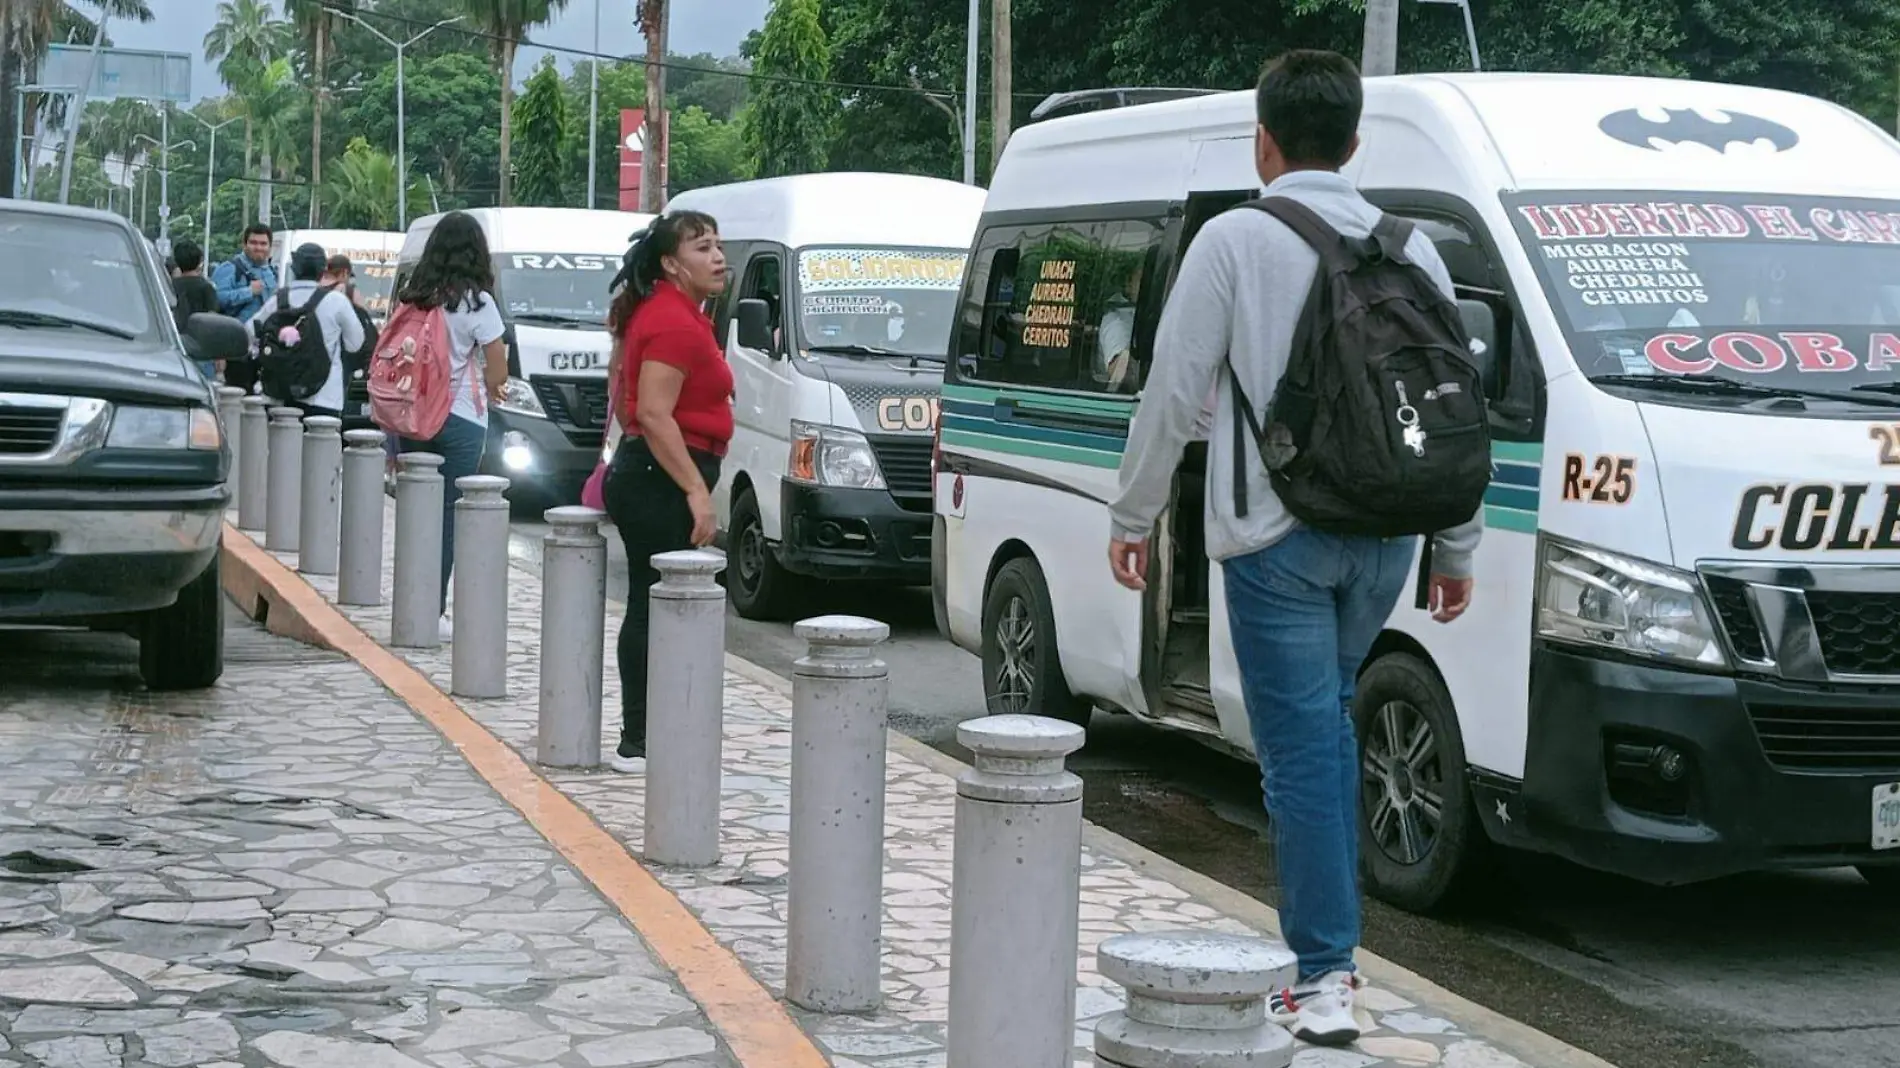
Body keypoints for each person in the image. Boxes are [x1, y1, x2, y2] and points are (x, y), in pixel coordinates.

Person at [1104, 50, 1482, 1048]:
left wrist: (1132, 516)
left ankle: (1324, 976)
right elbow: (1449, 407)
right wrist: (1456, 547)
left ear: (1262, 142)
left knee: (1304, 751)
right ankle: (1326, 957)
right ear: (1354, 142)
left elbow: (1172, 395)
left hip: (1275, 540)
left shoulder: (1234, 239)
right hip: (1386, 540)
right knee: (1327, 730)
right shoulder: (1415, 247)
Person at [600, 210, 728, 774]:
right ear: (672, 264)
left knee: (656, 603)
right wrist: (697, 492)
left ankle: (652, 731)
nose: (718, 257)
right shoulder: (673, 321)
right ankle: (638, 739)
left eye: (718, 245)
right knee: (652, 606)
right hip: (657, 478)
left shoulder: (676, 314)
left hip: (654, 474)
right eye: (702, 248)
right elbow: (652, 413)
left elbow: (624, 390)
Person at [388, 212, 509, 643]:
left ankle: (409, 605)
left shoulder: (413, 296)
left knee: (417, 514)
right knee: (447, 520)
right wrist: (495, 388)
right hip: (460, 419)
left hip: (412, 417)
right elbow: (497, 371)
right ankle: (433, 611)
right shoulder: (477, 302)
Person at [250, 242, 364, 423]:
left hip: (280, 395)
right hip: (325, 398)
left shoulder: (277, 300)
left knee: (281, 449)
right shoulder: (337, 301)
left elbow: (251, 332)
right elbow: (355, 343)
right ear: (323, 270)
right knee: (321, 450)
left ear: (294, 268)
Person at [169, 239, 221, 380]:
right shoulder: (207, 287)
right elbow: (213, 322)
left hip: (174, 350)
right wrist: (219, 355)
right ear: (200, 261)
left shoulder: (168, 287)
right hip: (202, 352)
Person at [213, 223, 279, 322]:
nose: (258, 248)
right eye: (253, 243)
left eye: (263, 244)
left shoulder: (272, 272)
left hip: (266, 333)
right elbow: (216, 300)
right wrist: (248, 292)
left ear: (270, 247)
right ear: (244, 245)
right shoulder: (229, 268)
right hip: (236, 333)